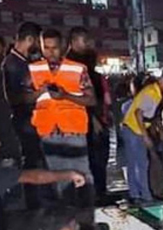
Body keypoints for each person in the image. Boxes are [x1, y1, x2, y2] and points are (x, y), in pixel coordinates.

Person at [28, 29, 96, 207]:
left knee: (82, 177)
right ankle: (67, 222)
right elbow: (20, 99)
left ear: (64, 47)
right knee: (57, 180)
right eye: (47, 48)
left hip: (73, 133)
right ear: (41, 47)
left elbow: (91, 99)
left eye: (55, 48)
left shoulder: (77, 69)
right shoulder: (33, 69)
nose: (51, 52)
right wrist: (39, 92)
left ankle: (86, 217)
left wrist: (65, 96)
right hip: (48, 133)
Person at [2, 21, 46, 208]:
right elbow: (12, 98)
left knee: (34, 163)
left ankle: (34, 204)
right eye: (39, 41)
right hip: (20, 124)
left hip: (31, 123)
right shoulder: (11, 64)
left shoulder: (24, 62)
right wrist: (39, 93)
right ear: (30, 39)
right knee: (27, 166)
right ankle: (29, 206)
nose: (40, 47)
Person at [122, 67, 163, 204]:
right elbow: (138, 114)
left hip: (132, 128)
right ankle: (144, 196)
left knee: (136, 163)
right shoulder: (152, 93)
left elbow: (149, 116)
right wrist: (145, 136)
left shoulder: (155, 92)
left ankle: (137, 194)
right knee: (141, 164)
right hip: (133, 129)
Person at [66, 27, 109, 199]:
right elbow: (79, 97)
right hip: (83, 120)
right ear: (74, 41)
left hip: (94, 118)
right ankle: (92, 194)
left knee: (98, 159)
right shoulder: (71, 65)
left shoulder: (85, 64)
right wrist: (94, 118)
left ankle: (98, 191)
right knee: (91, 159)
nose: (88, 44)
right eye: (85, 41)